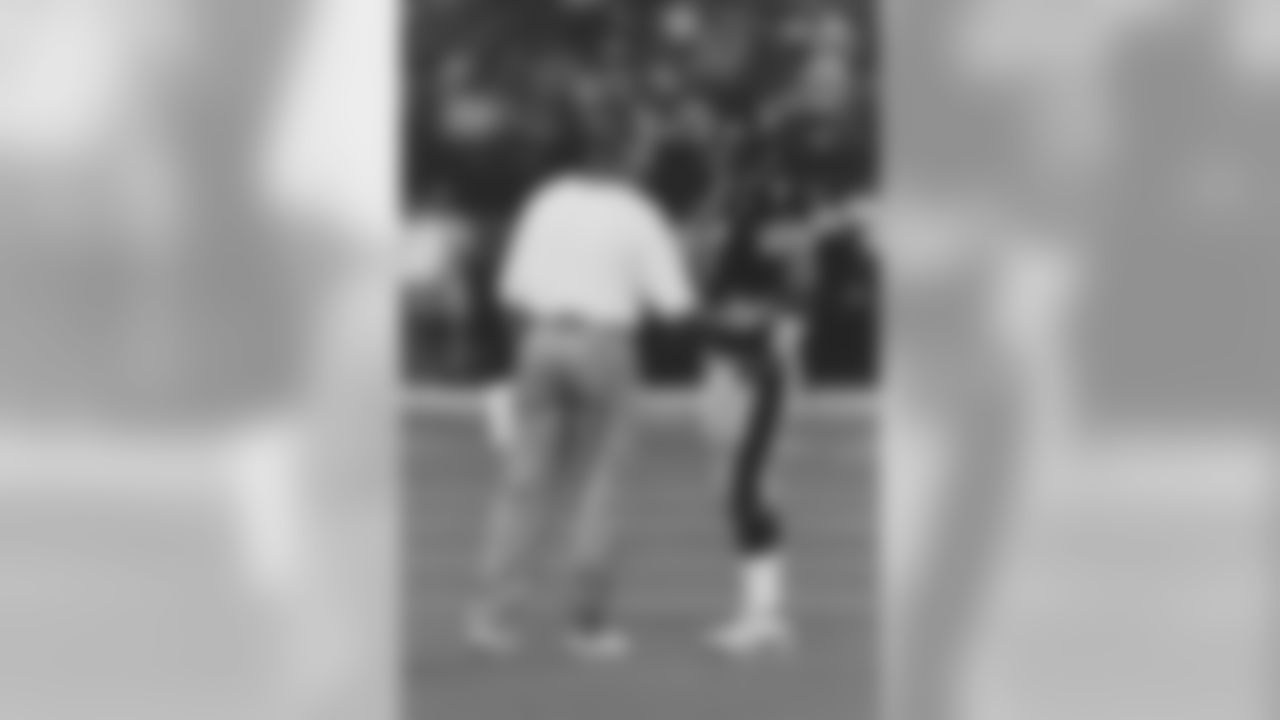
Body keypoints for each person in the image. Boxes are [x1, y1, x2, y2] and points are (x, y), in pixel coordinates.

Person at [466, 126, 696, 660]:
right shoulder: (638, 213)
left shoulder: (547, 200)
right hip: (604, 340)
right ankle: (587, 623)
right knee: (601, 483)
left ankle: (495, 616)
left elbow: (512, 289)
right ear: (629, 158)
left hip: (541, 335)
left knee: (523, 483)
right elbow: (675, 305)